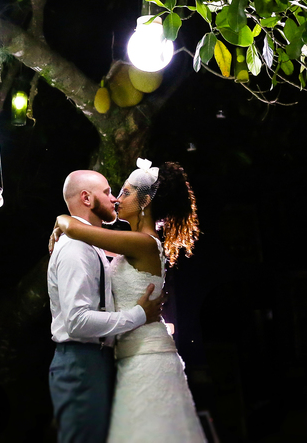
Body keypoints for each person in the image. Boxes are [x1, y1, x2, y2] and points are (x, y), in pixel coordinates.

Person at [50, 159, 206, 442]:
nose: (117, 199)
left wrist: (62, 220)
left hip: (145, 354)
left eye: (125, 192)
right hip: (127, 356)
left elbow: (78, 230)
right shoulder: (131, 244)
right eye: (115, 192)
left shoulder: (143, 243)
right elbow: (88, 241)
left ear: (145, 202)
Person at [48, 168, 164, 443]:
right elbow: (77, 321)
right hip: (81, 362)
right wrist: (137, 315)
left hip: (98, 360)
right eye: (108, 192)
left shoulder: (91, 244)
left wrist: (63, 222)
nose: (114, 199)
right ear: (87, 199)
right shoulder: (76, 249)